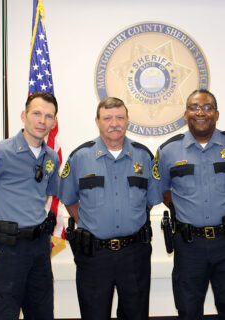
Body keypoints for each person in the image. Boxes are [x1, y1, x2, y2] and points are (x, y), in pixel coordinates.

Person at [157, 89, 225, 320]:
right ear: (186, 114)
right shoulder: (167, 151)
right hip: (189, 246)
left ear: (216, 114)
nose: (201, 113)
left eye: (207, 107)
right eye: (195, 107)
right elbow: (163, 190)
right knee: (188, 310)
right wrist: (180, 210)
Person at [58, 97, 161, 320]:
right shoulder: (79, 157)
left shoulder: (144, 156)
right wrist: (91, 223)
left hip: (134, 253)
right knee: (94, 314)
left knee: (136, 315)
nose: (114, 123)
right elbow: (69, 199)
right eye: (107, 118)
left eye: (119, 117)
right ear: (97, 121)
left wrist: (130, 218)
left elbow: (151, 199)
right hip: (94, 255)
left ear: (127, 121)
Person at [0, 92, 60, 320]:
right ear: (23, 115)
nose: (41, 121)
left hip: (38, 248)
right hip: (6, 249)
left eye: (48, 116)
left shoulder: (52, 158)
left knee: (42, 313)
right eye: (36, 113)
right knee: (2, 314)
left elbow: (46, 196)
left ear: (54, 122)